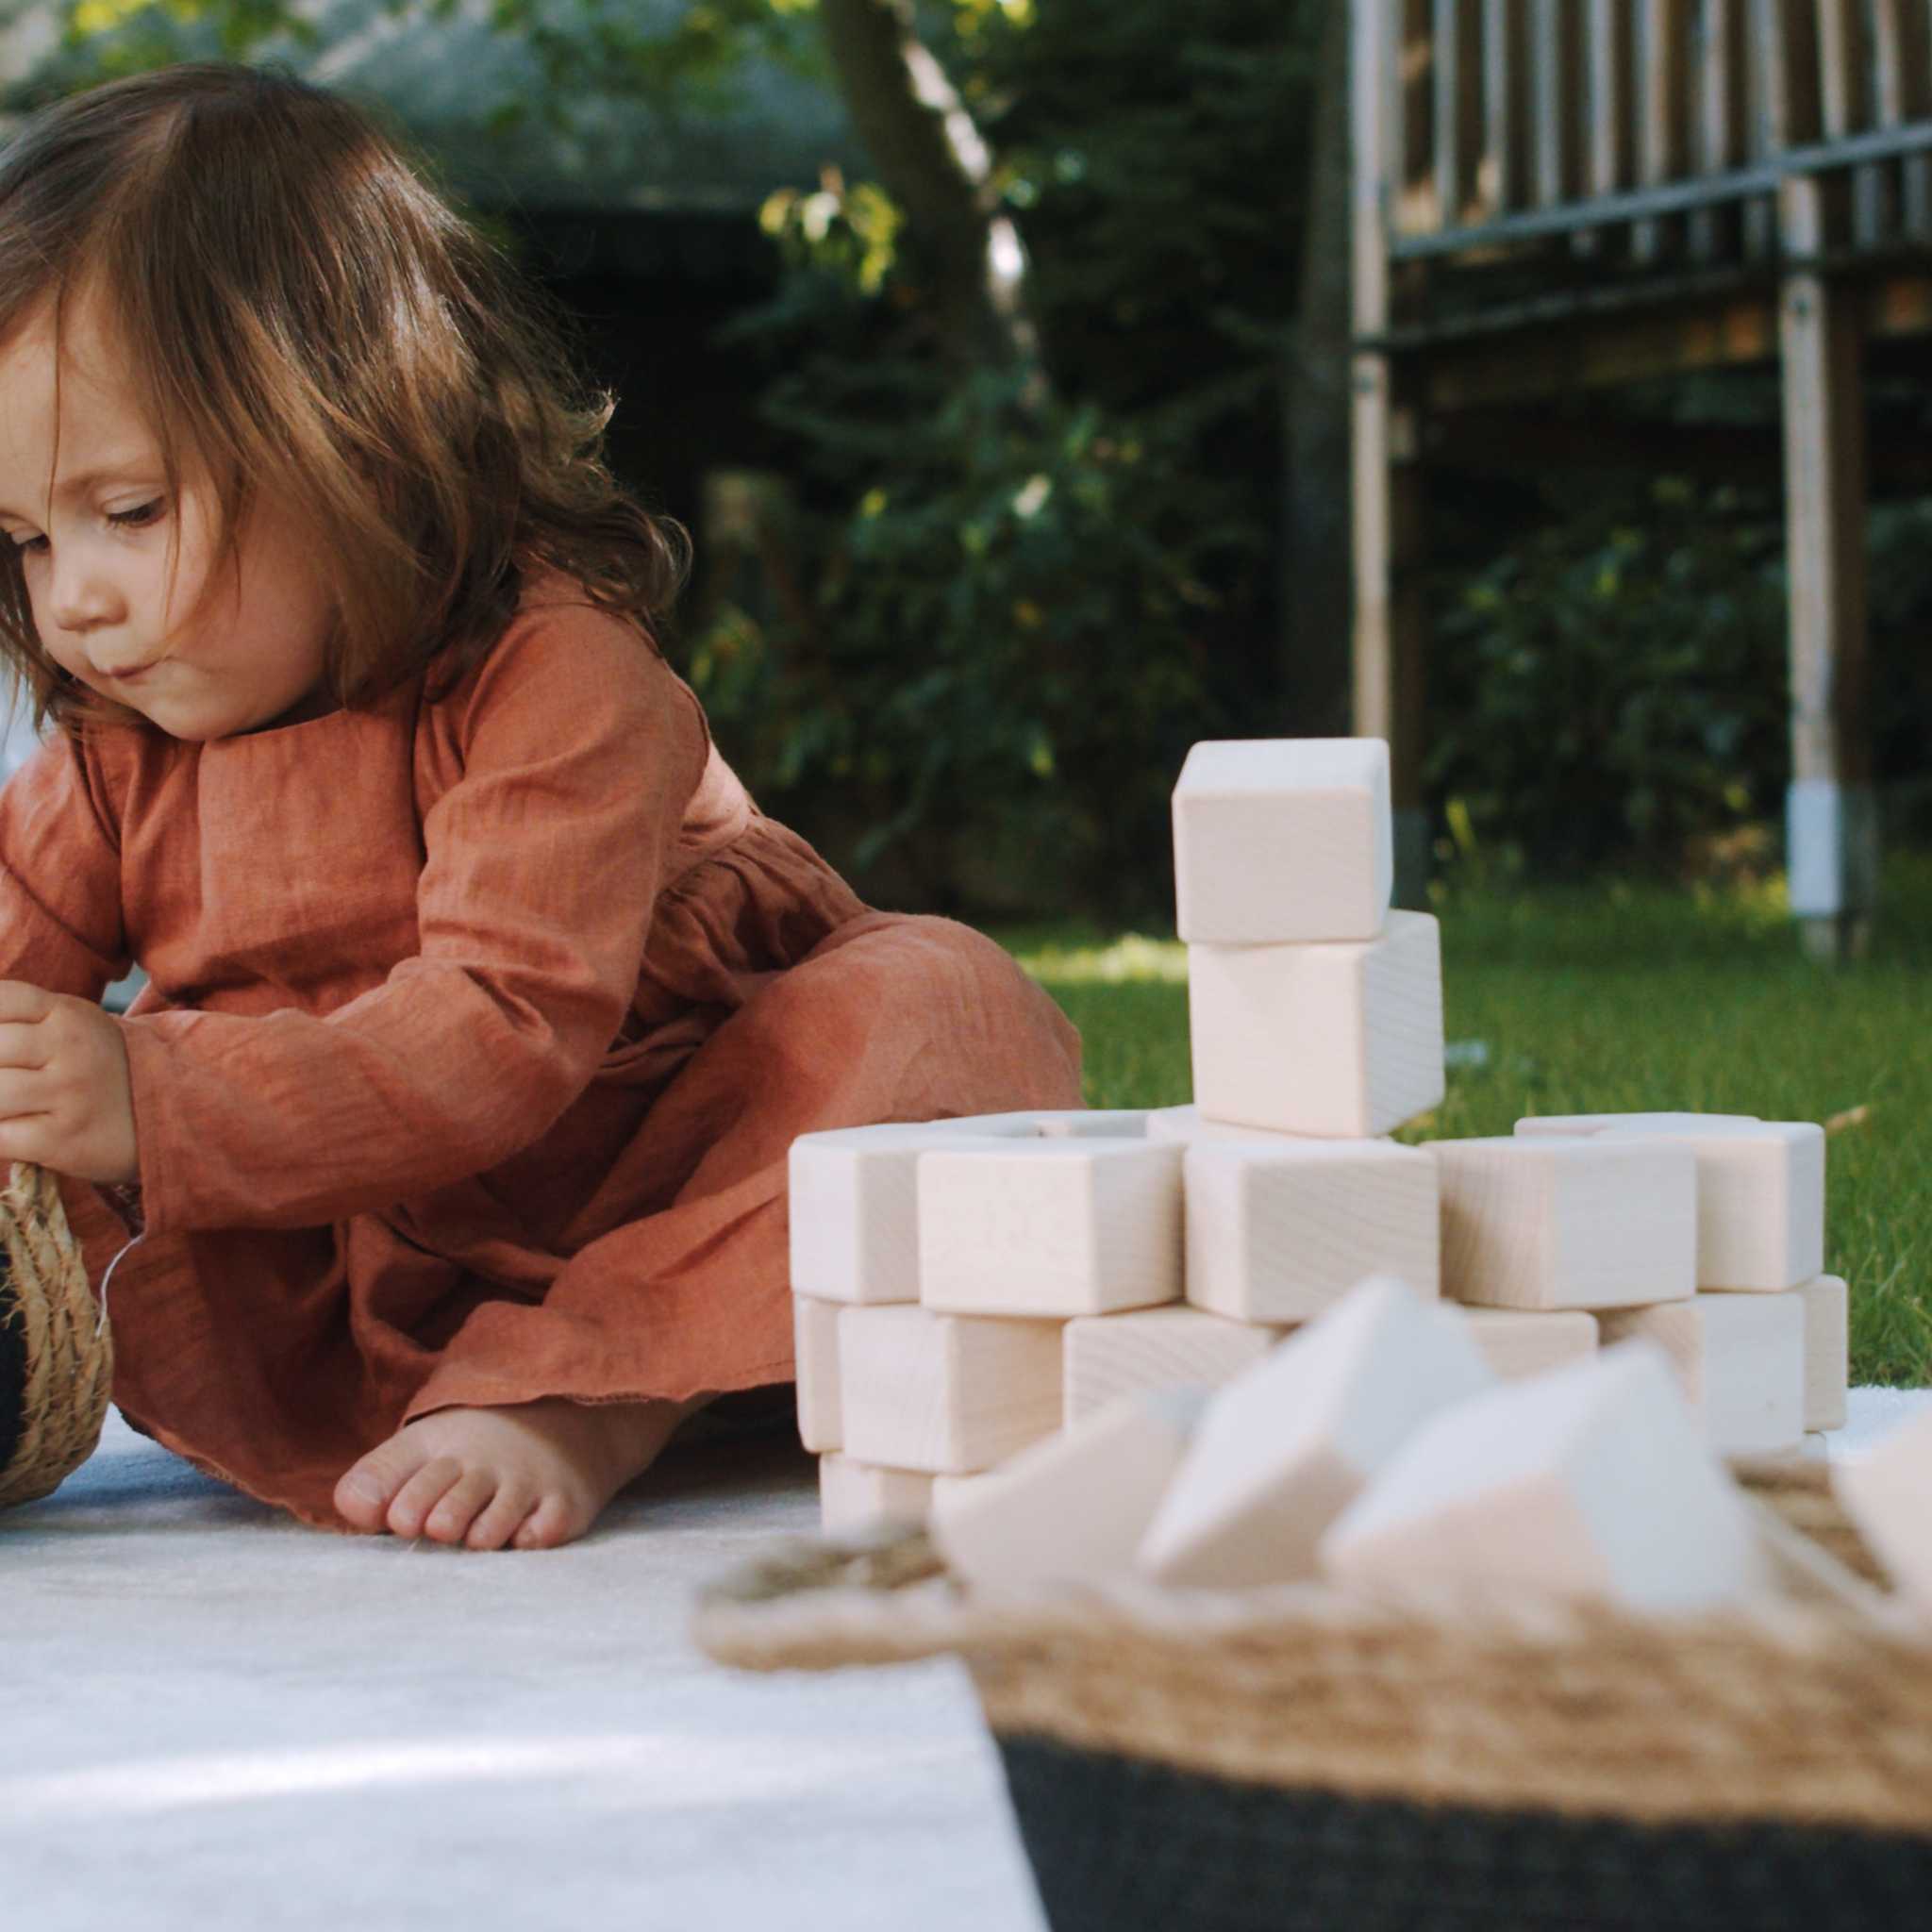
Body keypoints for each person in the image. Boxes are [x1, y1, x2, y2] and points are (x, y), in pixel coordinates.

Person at [0, 61, 1083, 1551]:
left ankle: (602, 1390)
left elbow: (504, 1036)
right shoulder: (120, 747)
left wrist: (154, 1094)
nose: (79, 603)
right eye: (25, 541)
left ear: (357, 438)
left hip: (638, 1181)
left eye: (127, 513)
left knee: (944, 1011)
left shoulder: (554, 676)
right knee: (55, 1171)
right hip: (337, 1237)